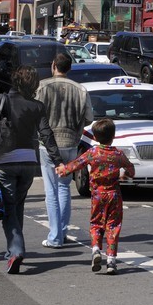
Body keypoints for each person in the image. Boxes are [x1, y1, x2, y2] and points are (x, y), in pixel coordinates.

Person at [0, 65, 52, 274]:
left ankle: (16, 250)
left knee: (9, 208)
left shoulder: (1, 100)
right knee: (17, 205)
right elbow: (46, 133)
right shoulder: (37, 106)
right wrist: (57, 158)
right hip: (28, 162)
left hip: (4, 162)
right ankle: (14, 249)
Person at [56, 117, 134, 275]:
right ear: (113, 136)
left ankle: (96, 250)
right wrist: (123, 176)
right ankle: (111, 260)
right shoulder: (118, 154)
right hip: (114, 194)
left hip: (98, 194)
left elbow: (76, 164)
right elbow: (131, 170)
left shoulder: (93, 153)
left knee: (96, 224)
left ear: (96, 138)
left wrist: (61, 169)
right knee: (113, 226)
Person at [35, 52, 93, 248]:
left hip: (48, 144)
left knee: (50, 190)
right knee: (64, 188)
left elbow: (34, 114)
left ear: (53, 66)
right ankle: (62, 231)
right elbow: (89, 119)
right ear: (69, 68)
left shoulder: (42, 87)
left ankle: (55, 236)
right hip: (70, 142)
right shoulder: (80, 89)